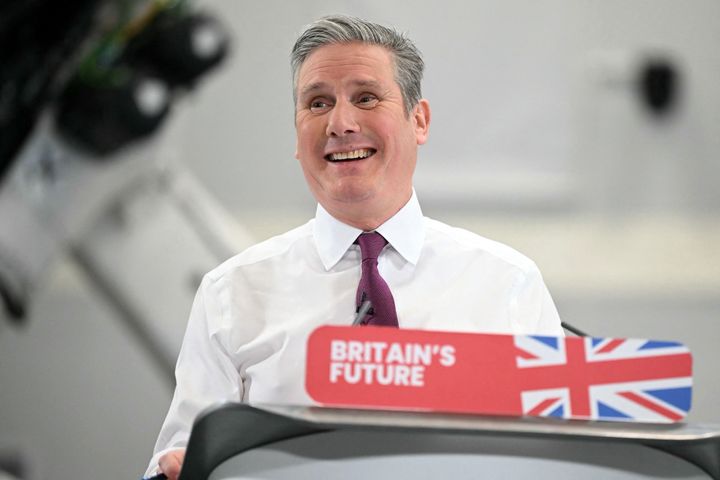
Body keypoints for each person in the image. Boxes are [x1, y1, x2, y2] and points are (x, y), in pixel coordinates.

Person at [144, 15, 563, 480]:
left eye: (365, 98)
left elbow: (558, 460)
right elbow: (178, 456)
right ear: (297, 134)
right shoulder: (231, 292)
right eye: (318, 103)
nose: (340, 124)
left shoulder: (508, 284)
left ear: (418, 120)